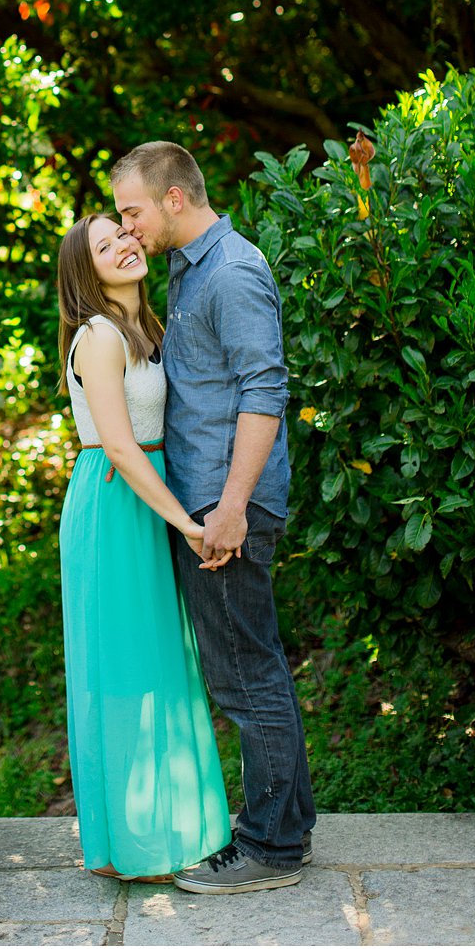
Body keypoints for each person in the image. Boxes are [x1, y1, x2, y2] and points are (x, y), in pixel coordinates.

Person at [112, 140, 317, 894]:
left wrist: (229, 508)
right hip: (207, 497)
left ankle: (268, 846)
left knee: (242, 674)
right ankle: (286, 828)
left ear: (172, 198)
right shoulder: (188, 266)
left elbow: (265, 390)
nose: (127, 227)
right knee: (251, 662)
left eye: (132, 210)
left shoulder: (232, 271)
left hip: (225, 505)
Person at [54, 213, 231, 883]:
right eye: (104, 246)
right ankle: (133, 842)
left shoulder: (147, 329)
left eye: (123, 233)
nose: (124, 244)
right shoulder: (98, 336)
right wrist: (188, 523)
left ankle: (169, 827)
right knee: (128, 669)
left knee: (164, 660)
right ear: (85, 271)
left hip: (149, 493)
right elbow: (122, 445)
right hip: (118, 501)